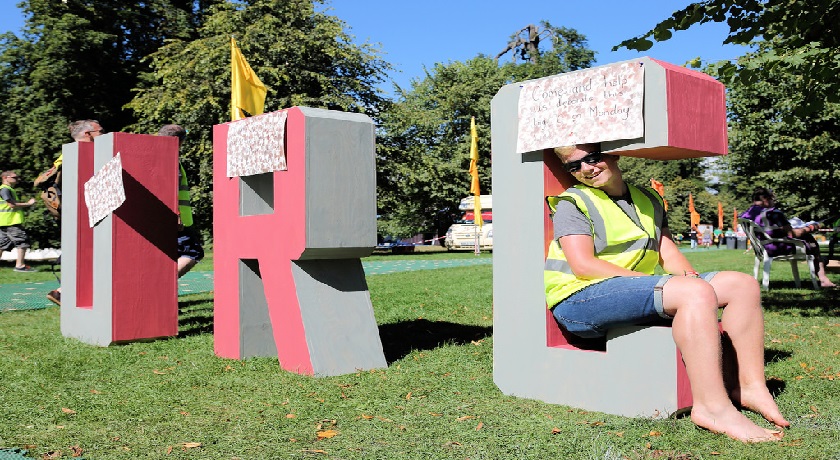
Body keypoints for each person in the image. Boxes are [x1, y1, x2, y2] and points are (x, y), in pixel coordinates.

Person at [545, 144, 788, 442]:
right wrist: (674, 286)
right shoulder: (573, 202)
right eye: (574, 166)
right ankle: (713, 408)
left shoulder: (648, 198)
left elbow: (668, 254)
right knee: (693, 292)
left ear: (614, 154)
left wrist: (690, 279)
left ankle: (748, 386)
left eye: (593, 159)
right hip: (579, 300)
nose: (586, 169)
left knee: (742, 285)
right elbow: (583, 265)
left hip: (632, 290)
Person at [45, 119, 105, 305]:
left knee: (85, 255)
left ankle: (63, 292)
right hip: (80, 212)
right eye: (100, 131)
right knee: (90, 255)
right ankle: (63, 292)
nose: (104, 134)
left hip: (74, 212)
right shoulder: (79, 154)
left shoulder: (64, 156)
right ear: (88, 134)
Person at [740, 187, 836, 288]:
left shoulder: (747, 214)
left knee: (808, 239)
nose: (774, 202)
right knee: (810, 240)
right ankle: (823, 278)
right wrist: (811, 227)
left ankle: (822, 267)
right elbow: (792, 234)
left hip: (762, 247)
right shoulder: (774, 213)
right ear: (766, 199)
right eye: (773, 199)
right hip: (779, 247)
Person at [157, 124, 204, 278]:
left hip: (162, 217)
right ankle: (164, 284)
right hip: (177, 220)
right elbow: (171, 188)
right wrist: (175, 214)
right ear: (179, 141)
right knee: (193, 252)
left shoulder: (155, 156)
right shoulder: (170, 159)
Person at [1, 170, 38, 272]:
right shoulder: (5, 190)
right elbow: (12, 205)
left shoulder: (7, 189)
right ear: (5, 178)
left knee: (2, 244)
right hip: (11, 222)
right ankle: (20, 265)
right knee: (22, 242)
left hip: (4, 222)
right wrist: (29, 204)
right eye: (14, 177)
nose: (17, 179)